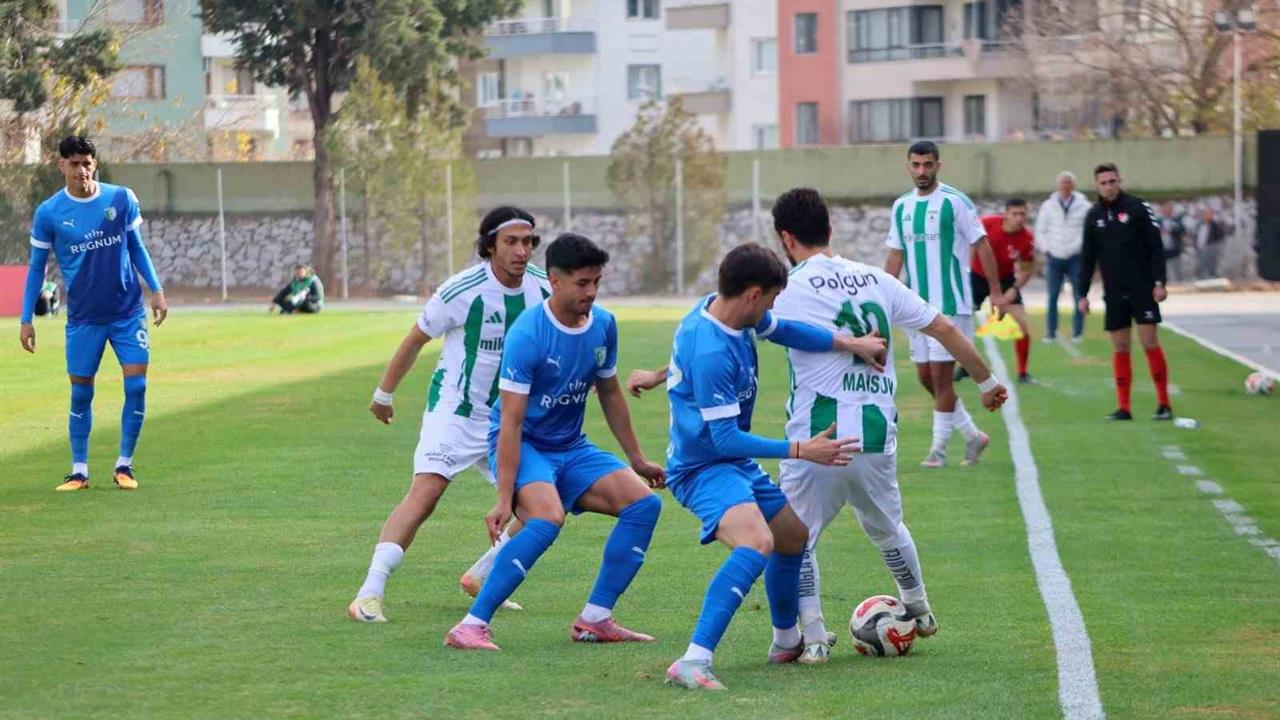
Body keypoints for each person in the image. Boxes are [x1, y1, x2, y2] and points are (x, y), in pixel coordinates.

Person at [769, 188, 1007, 663]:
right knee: (887, 527)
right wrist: (987, 381)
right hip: (876, 438)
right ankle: (918, 605)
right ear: (830, 229)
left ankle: (814, 637)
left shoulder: (788, 288)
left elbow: (734, 324)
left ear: (785, 238)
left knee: (797, 537)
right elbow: (944, 328)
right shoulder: (875, 278)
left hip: (819, 439)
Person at [658, 244, 888, 691]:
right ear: (752, 294)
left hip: (729, 461)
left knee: (792, 537)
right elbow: (724, 438)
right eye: (771, 298)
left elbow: (786, 330)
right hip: (701, 467)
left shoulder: (728, 313)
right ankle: (693, 660)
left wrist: (848, 342)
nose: (772, 308)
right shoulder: (711, 349)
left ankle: (785, 641)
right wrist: (802, 449)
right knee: (756, 541)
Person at [443, 233, 667, 651]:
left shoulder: (603, 324)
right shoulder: (529, 334)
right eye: (583, 283)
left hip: (571, 446)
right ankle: (471, 626)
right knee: (546, 519)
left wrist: (636, 458)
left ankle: (595, 619)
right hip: (523, 442)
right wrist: (505, 498)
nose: (592, 292)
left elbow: (611, 392)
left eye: (597, 282)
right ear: (555, 281)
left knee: (644, 505)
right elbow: (510, 422)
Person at [348, 207, 550, 624]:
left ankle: (483, 574)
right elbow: (416, 338)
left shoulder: (542, 290)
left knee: (541, 507)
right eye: (510, 242)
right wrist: (383, 395)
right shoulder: (462, 290)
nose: (521, 251)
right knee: (426, 493)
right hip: (455, 412)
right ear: (490, 245)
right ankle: (368, 593)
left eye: (528, 242)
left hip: (507, 423)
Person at [18, 135, 167, 491]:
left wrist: (157, 291)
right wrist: (26, 318)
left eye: (87, 163)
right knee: (81, 392)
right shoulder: (50, 213)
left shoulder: (120, 198)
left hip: (128, 312)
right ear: (61, 166)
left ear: (94, 164)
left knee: (138, 385)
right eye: (74, 164)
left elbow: (137, 248)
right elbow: (37, 268)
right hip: (83, 318)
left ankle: (124, 466)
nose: (81, 170)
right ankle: (80, 471)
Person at [883, 140, 1003, 468]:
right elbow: (895, 254)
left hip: (950, 303)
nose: (922, 171)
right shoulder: (902, 207)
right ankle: (973, 436)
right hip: (915, 307)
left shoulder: (955, 202)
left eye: (928, 165)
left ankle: (938, 450)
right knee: (925, 377)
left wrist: (995, 290)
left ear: (938, 165)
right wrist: (882, 296)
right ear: (908, 166)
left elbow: (982, 245)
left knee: (940, 378)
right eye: (916, 165)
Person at [1078, 163, 1172, 421]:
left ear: (1120, 181)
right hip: (1114, 291)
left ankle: (1164, 404)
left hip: (1142, 288)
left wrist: (1160, 282)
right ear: (1096, 185)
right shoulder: (1093, 215)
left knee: (1149, 342)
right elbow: (1088, 258)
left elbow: (1156, 247)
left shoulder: (1138, 208)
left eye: (1113, 181)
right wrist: (1082, 294)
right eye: (1104, 182)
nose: (1109, 186)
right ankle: (1124, 407)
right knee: (1120, 347)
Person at [968, 199, 1036, 383]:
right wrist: (966, 272)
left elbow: (1026, 269)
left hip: (1005, 279)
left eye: (1023, 214)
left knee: (1022, 324)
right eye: (1015, 214)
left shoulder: (1027, 238)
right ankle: (963, 366)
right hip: (977, 275)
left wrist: (1012, 291)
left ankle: (1023, 373)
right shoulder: (988, 223)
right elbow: (970, 247)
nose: (1019, 218)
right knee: (961, 321)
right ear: (1005, 214)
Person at [1033, 171, 1089, 342]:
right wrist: (1046, 249)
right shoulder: (1048, 205)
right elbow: (1040, 230)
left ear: (1073, 185)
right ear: (1058, 185)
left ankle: (1077, 333)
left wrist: (1079, 247)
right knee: (1052, 295)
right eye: (1063, 182)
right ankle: (1051, 332)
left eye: (1068, 182)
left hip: (1076, 256)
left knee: (1079, 295)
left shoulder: (1084, 205)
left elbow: (1087, 230)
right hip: (1054, 256)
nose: (1065, 185)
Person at [1157, 201, 1187, 284]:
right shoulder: (1158, 221)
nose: (1166, 211)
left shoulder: (1176, 220)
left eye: (1168, 209)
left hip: (1174, 250)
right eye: (1165, 209)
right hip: (1162, 250)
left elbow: (1182, 230)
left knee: (1177, 270)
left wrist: (1171, 230)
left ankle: (1179, 283)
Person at [1193, 206, 1226, 279]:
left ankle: (1213, 278)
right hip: (1199, 250)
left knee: (1211, 268)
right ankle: (1199, 279)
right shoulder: (1199, 225)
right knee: (1200, 267)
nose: (1206, 216)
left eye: (1208, 214)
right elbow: (1196, 236)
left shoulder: (1215, 226)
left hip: (1211, 252)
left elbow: (1220, 239)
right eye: (1205, 214)